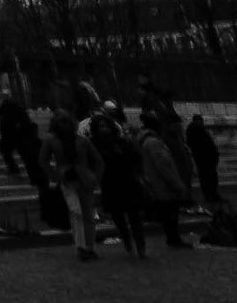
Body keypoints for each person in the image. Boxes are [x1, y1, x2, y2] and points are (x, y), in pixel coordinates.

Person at [43, 108, 104, 261]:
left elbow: (97, 160)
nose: (65, 124)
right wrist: (55, 174)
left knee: (87, 214)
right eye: (61, 121)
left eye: (67, 121)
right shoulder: (51, 140)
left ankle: (89, 247)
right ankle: (81, 246)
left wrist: (95, 177)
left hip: (84, 179)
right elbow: (43, 160)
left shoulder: (82, 140)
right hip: (68, 180)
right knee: (77, 212)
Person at [92, 107, 146, 258]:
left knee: (134, 216)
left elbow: (135, 157)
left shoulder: (122, 142)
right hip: (110, 183)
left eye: (105, 125)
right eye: (101, 126)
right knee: (119, 218)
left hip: (127, 180)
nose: (104, 129)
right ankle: (128, 241)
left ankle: (140, 243)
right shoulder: (95, 145)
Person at [137, 110, 193, 250]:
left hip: (159, 185)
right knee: (171, 215)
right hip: (164, 186)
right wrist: (177, 184)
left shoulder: (147, 141)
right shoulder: (154, 143)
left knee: (169, 215)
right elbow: (164, 165)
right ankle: (174, 239)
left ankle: (173, 238)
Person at [187, 113, 222, 204]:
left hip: (206, 159)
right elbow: (205, 146)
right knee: (208, 178)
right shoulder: (196, 131)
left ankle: (212, 195)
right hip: (204, 159)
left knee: (210, 178)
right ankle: (210, 196)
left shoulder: (196, 131)